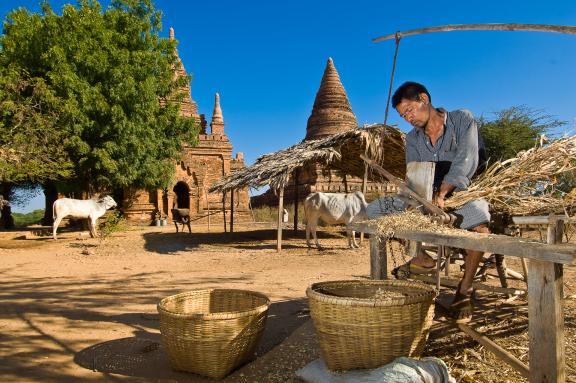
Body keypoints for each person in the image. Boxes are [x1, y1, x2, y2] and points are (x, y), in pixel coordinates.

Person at [367, 81, 490, 321]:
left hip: (464, 190)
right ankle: (421, 257)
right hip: (427, 196)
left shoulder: (462, 119)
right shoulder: (412, 139)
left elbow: (466, 160)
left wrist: (443, 194)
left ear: (424, 99)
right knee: (375, 210)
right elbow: (415, 174)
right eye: (403, 116)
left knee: (479, 220)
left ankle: (464, 289)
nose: (408, 118)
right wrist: (411, 194)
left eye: (410, 110)